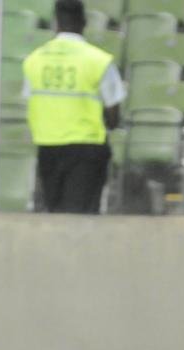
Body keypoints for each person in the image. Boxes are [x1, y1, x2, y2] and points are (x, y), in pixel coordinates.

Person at [22, 0, 125, 213]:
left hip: (48, 146)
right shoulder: (98, 60)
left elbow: (30, 100)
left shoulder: (34, 60)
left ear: (56, 22)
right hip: (86, 146)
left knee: (55, 211)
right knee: (81, 216)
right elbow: (114, 115)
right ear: (84, 22)